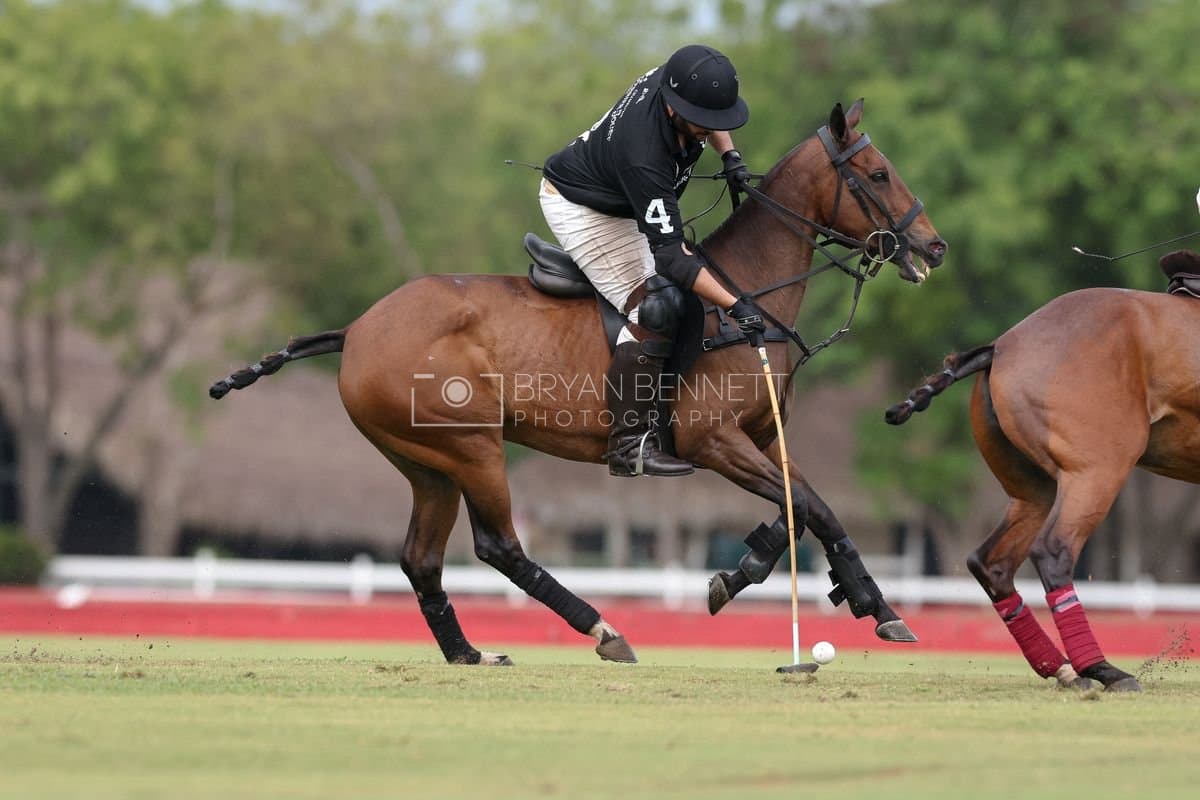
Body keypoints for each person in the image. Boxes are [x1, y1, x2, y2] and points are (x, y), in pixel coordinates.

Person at [540, 43, 765, 478]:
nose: (711, 128)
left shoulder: (681, 80)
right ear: (675, 108)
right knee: (657, 306)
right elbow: (673, 261)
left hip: (621, 198)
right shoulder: (644, 153)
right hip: (582, 207)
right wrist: (737, 304)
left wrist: (729, 154)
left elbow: (711, 110)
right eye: (705, 124)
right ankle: (628, 445)